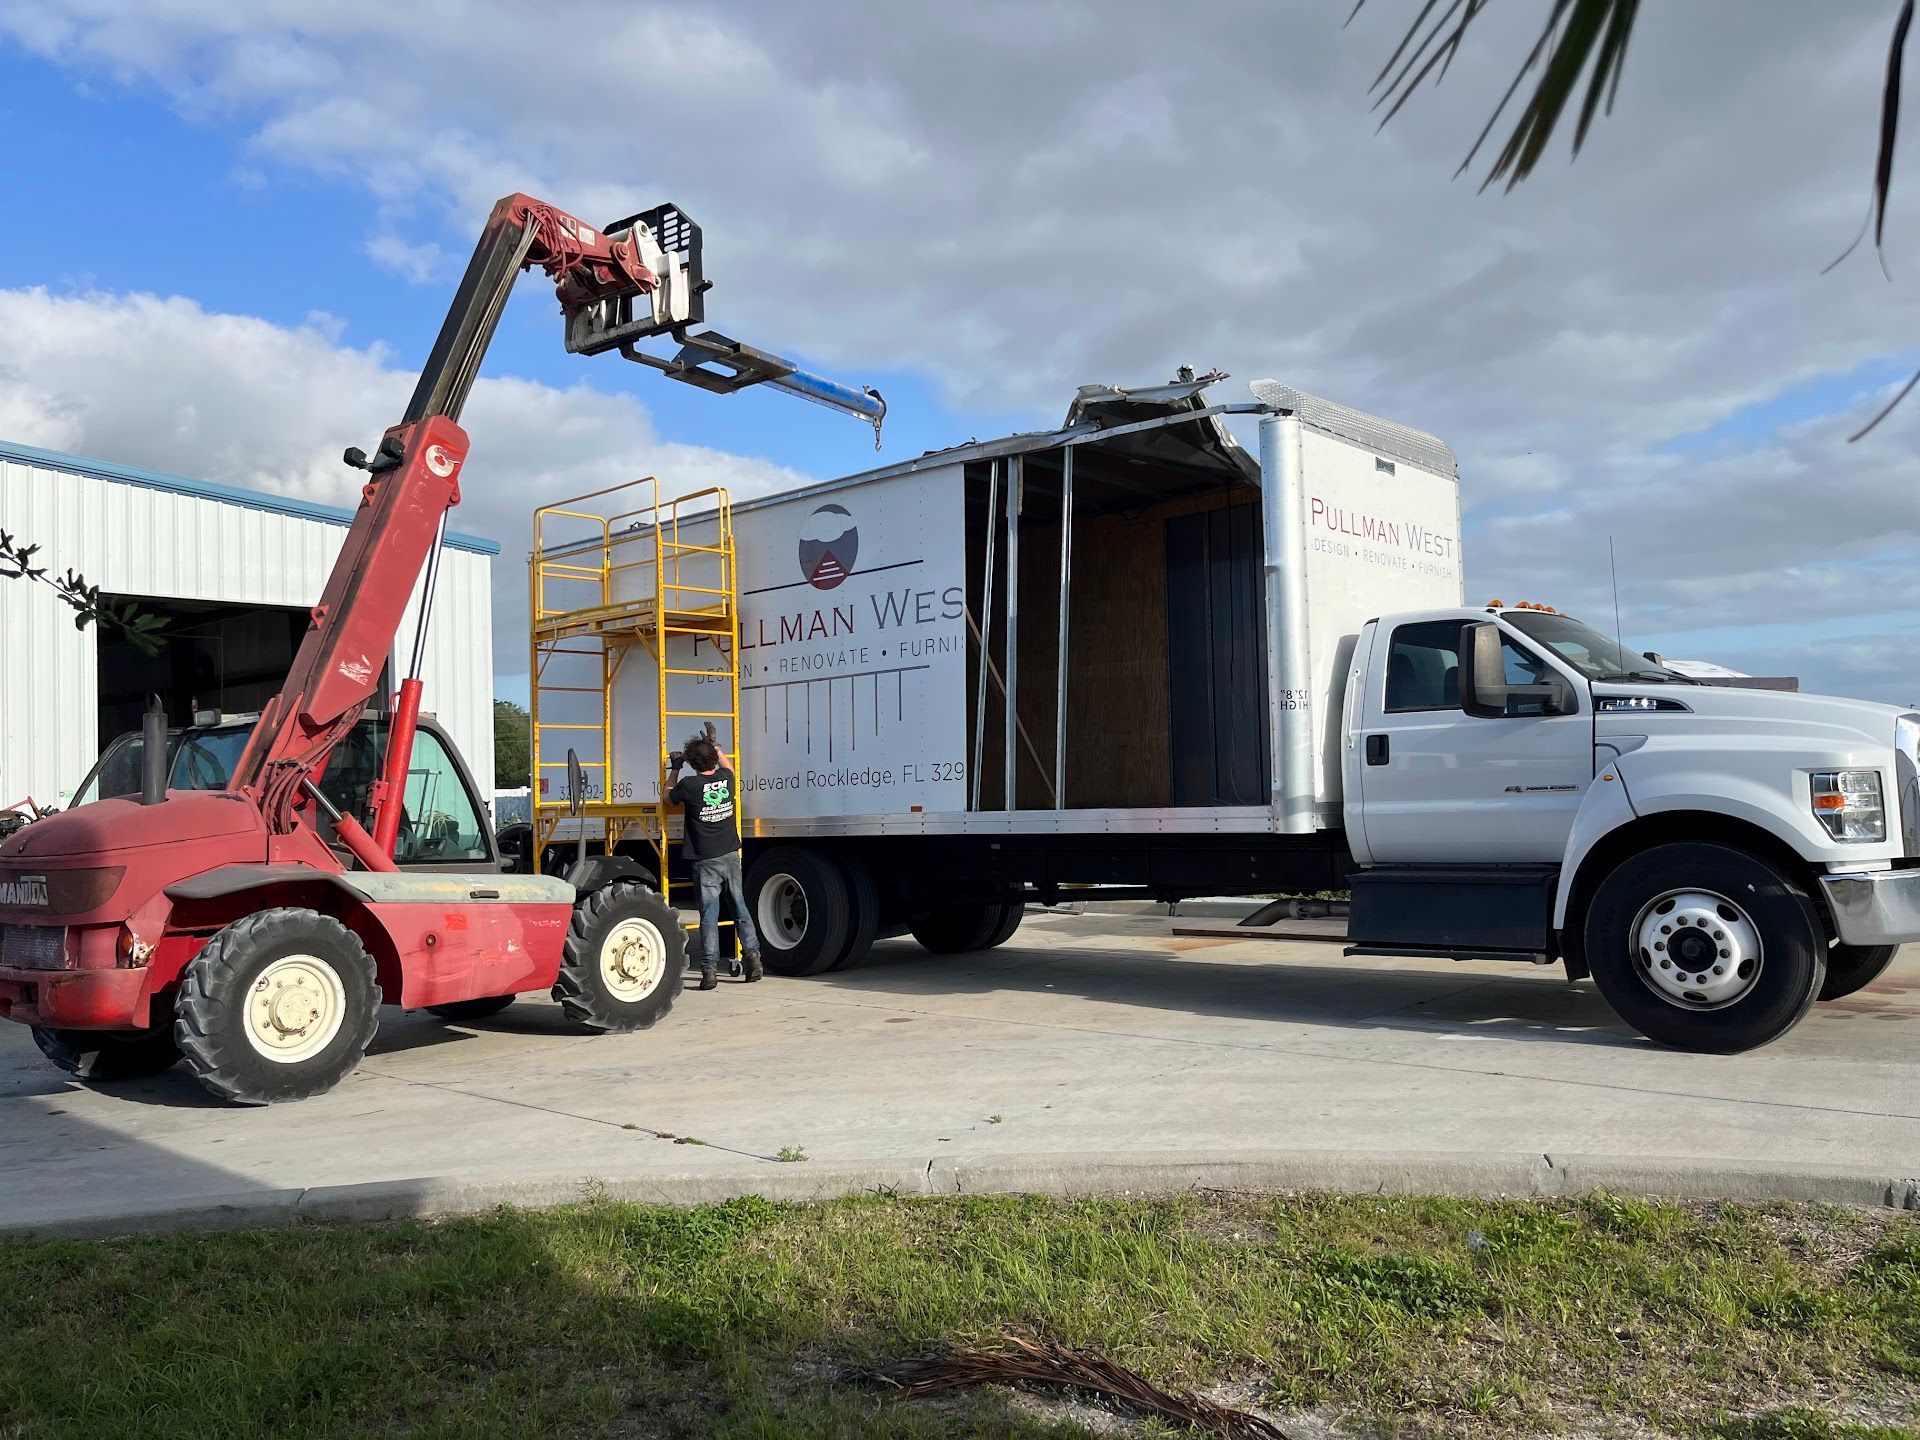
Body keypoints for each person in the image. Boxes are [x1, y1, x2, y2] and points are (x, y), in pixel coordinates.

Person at [665, 731, 763, 990]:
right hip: (730, 854)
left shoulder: (689, 786)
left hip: (705, 859)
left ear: (693, 764)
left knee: (709, 916)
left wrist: (675, 768)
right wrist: (716, 747)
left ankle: (709, 972)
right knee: (740, 908)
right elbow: (729, 766)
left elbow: (668, 796)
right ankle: (753, 960)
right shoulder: (727, 779)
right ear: (713, 760)